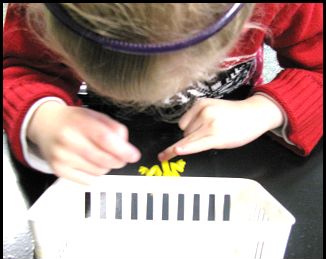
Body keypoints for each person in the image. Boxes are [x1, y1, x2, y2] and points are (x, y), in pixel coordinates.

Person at [3, 3, 323, 185]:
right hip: (93, 129)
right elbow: (15, 67)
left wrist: (265, 109)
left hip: (236, 135)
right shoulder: (37, 12)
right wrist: (44, 116)